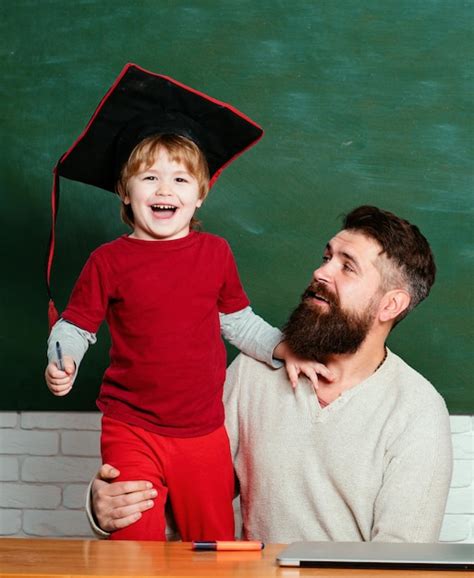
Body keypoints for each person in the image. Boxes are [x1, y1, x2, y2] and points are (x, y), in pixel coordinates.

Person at [44, 64, 327, 542]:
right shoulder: (107, 261)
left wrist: (286, 348)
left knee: (212, 544)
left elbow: (239, 324)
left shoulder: (215, 252)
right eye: (149, 177)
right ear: (125, 192)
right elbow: (76, 326)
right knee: (134, 541)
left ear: (200, 195)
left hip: (203, 434)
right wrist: (63, 358)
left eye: (180, 180)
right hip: (130, 427)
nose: (163, 190)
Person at [87, 205, 453, 543]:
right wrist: (109, 510)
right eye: (327, 257)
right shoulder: (253, 372)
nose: (321, 272)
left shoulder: (417, 413)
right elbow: (184, 505)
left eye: (347, 266)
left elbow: (404, 561)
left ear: (391, 304)